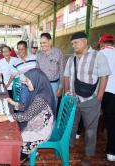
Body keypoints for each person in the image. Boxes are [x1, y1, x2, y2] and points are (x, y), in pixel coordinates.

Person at [64, 32, 111, 165]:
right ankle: (70, 144)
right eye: (72, 43)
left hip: (90, 100)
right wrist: (67, 93)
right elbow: (66, 76)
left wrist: (99, 97)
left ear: (84, 41)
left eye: (76, 43)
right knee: (71, 125)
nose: (73, 46)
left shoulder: (98, 56)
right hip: (73, 99)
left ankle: (89, 154)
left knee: (90, 129)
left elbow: (104, 76)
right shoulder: (71, 59)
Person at [0, 68, 56, 164]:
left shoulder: (41, 97)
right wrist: (13, 103)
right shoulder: (38, 90)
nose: (26, 83)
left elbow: (26, 116)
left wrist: (6, 117)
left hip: (40, 130)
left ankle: (21, 156)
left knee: (15, 138)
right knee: (12, 131)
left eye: (27, 81)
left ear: (36, 80)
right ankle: (23, 155)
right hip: (36, 122)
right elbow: (27, 107)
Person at [98, 34, 115, 162]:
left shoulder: (100, 54)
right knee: (111, 122)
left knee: (97, 118)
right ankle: (111, 151)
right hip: (113, 93)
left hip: (103, 91)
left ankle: (78, 136)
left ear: (102, 43)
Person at [6, 40, 36, 108]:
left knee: (35, 105)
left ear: (26, 49)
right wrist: (7, 85)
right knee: (22, 106)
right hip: (24, 86)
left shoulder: (34, 58)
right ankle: (22, 117)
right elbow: (12, 75)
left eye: (22, 49)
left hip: (36, 85)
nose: (20, 51)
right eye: (19, 49)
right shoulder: (16, 62)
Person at [36, 33, 64, 106]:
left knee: (54, 105)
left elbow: (62, 70)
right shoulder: (39, 55)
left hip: (54, 85)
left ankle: (54, 117)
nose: (42, 45)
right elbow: (37, 72)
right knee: (43, 106)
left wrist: (60, 88)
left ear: (50, 41)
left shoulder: (58, 52)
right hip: (43, 85)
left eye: (44, 42)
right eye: (41, 43)